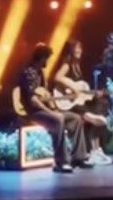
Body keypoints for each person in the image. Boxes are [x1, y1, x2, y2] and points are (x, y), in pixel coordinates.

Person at [17, 42, 88, 172]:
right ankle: (61, 162)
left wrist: (54, 106)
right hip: (35, 112)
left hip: (46, 109)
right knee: (58, 120)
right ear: (43, 58)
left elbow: (44, 94)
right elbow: (33, 100)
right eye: (48, 59)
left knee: (76, 118)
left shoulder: (41, 73)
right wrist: (51, 111)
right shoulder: (29, 72)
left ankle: (79, 157)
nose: (48, 62)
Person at [52, 38, 110, 162]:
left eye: (80, 48)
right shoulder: (67, 64)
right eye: (76, 48)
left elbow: (81, 89)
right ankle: (88, 116)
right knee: (87, 111)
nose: (78, 50)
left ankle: (96, 148)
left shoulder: (77, 65)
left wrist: (93, 93)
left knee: (101, 102)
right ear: (70, 50)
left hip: (77, 101)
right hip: (68, 103)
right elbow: (57, 77)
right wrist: (73, 88)